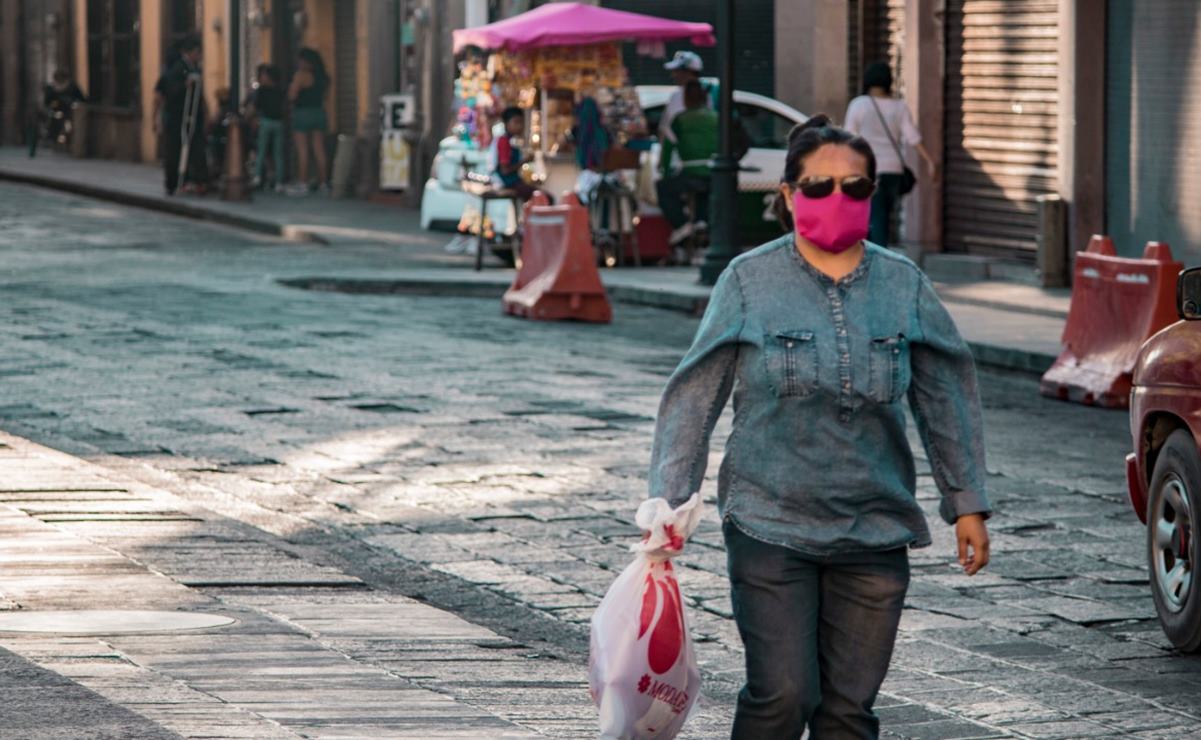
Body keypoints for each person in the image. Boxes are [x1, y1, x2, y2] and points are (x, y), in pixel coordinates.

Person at [647, 115, 991, 739]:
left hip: (875, 528)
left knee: (848, 713)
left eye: (856, 188)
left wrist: (966, 502)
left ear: (873, 193)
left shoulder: (902, 284)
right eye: (818, 186)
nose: (839, 199)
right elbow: (694, 395)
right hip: (770, 523)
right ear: (787, 194)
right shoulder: (749, 280)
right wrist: (669, 505)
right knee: (783, 695)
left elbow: (947, 394)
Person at [843, 62, 937, 247]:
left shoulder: (859, 105)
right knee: (883, 216)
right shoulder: (899, 107)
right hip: (893, 170)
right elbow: (912, 136)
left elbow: (848, 138)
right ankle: (877, 255)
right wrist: (930, 161)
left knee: (873, 217)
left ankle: (875, 259)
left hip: (867, 170)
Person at [656, 79, 718, 246]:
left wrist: (665, 173)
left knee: (663, 188)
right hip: (714, 174)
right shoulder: (716, 118)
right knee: (705, 192)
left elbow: (667, 150)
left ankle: (682, 226)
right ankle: (701, 221)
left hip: (690, 174)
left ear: (685, 99)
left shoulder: (680, 119)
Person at [154, 35, 208, 195]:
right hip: (178, 117)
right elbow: (169, 92)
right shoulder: (178, 68)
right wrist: (185, 85)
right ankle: (173, 183)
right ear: (190, 52)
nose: (199, 56)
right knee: (175, 150)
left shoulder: (195, 68)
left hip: (193, 116)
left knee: (196, 148)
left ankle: (197, 180)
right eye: (198, 52)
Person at [288, 47, 330, 195]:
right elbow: (325, 97)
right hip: (319, 112)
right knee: (319, 149)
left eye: (300, 60)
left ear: (306, 61)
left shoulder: (301, 76)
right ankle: (323, 183)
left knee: (303, 150)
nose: (298, 63)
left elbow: (292, 96)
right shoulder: (323, 77)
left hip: (303, 113)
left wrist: (292, 89)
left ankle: (303, 183)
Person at [658, 50, 713, 146]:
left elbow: (666, 130)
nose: (673, 75)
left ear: (688, 72)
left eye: (676, 71)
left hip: (680, 155)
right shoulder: (707, 95)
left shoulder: (677, 96)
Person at [247, 64, 285, 191]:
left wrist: (249, 117)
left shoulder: (261, 91)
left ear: (268, 77)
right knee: (278, 153)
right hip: (279, 123)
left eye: (264, 75)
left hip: (265, 122)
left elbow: (253, 108)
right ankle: (279, 181)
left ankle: (257, 177)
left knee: (261, 151)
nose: (261, 77)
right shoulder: (280, 90)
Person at [488, 106, 536, 200]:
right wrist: (525, 161)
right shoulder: (504, 141)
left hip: (511, 182)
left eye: (521, 122)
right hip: (505, 182)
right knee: (543, 197)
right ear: (506, 124)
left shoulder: (511, 141)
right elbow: (505, 170)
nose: (520, 126)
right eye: (516, 122)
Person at [42, 69, 85, 146]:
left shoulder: (72, 87)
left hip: (70, 110)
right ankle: (53, 138)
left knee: (70, 123)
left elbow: (82, 98)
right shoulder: (51, 88)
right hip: (56, 111)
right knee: (54, 121)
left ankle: (68, 140)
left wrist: (75, 103)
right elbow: (46, 102)